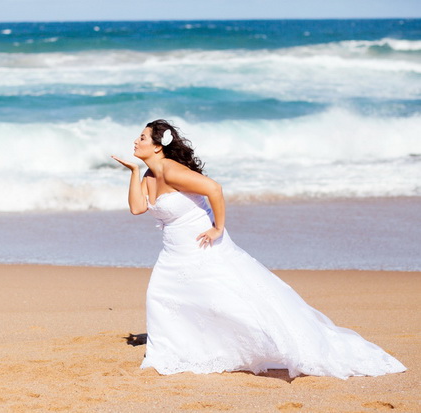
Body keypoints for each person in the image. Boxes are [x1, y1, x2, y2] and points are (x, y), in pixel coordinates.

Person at [111, 119, 406, 379]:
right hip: (173, 251)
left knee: (227, 300)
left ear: (158, 147)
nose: (135, 141)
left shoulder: (172, 171)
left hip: (202, 245)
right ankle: (174, 349)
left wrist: (218, 228)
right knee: (163, 296)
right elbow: (138, 208)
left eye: (141, 137)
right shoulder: (149, 176)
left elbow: (214, 189)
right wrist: (134, 172)